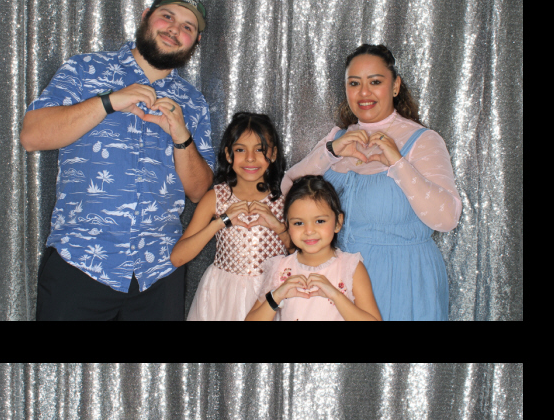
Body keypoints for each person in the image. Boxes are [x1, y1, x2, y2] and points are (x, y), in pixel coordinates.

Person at [22, 0, 214, 321]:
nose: (174, 29)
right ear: (146, 17)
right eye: (167, 16)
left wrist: (181, 137)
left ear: (195, 41)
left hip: (159, 272)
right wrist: (109, 102)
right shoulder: (85, 70)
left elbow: (199, 191)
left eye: (187, 27)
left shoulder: (193, 102)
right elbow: (32, 136)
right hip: (80, 262)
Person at [282, 44, 461, 322]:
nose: (364, 93)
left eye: (375, 82)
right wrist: (329, 152)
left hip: (402, 281)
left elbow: (447, 218)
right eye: (354, 83)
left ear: (395, 86)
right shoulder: (338, 138)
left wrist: (399, 164)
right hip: (340, 283)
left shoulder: (423, 141)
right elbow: (286, 191)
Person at [171, 112, 291, 320]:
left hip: (270, 296)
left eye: (260, 150)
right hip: (221, 296)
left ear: (273, 154)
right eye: (240, 150)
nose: (250, 158)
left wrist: (278, 227)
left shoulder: (285, 199)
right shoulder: (216, 197)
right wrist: (220, 222)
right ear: (228, 155)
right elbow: (177, 257)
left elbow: (301, 254)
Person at [245, 176, 382, 320]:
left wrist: (336, 295)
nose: (309, 231)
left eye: (320, 221)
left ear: (338, 222)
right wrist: (277, 296)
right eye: (298, 223)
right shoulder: (280, 268)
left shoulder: (351, 268)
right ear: (287, 225)